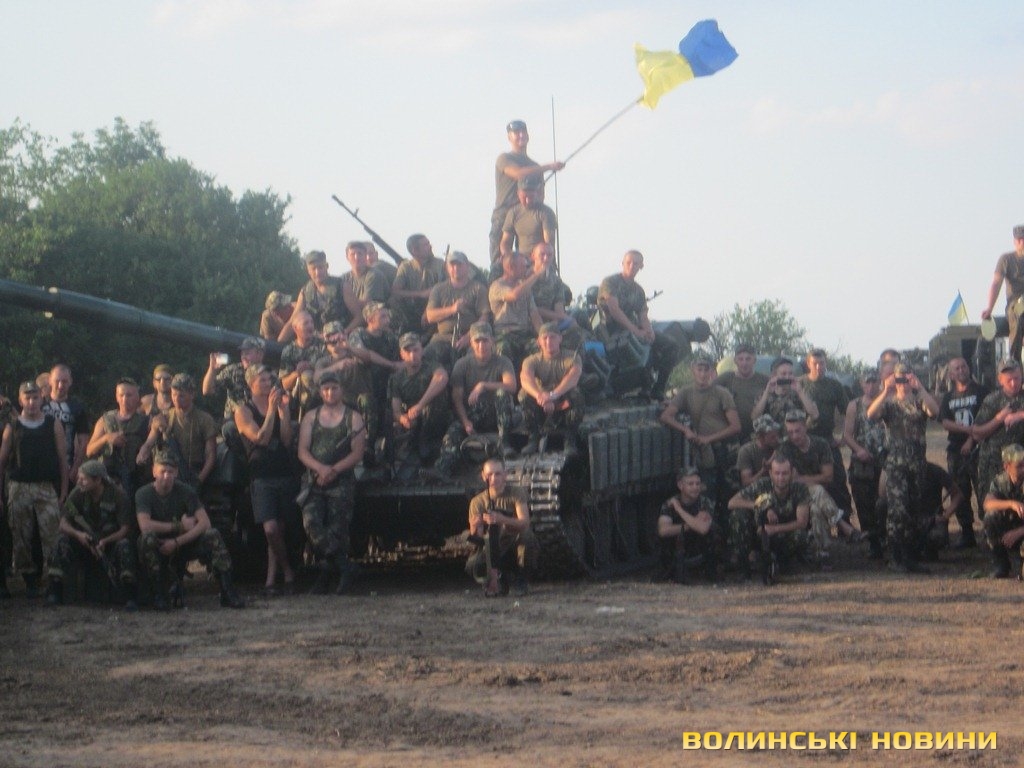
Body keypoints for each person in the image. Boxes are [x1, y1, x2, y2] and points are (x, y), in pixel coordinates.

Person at [135, 451, 245, 609]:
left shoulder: (185, 491)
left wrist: (176, 542)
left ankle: (227, 591)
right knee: (147, 539)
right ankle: (159, 594)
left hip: (183, 543)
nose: (166, 476)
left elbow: (205, 523)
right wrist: (179, 526)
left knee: (212, 535)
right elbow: (145, 526)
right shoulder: (143, 494)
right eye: (162, 471)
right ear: (154, 471)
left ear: (176, 472)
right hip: (159, 543)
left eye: (170, 471)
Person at [867, 362, 941, 573]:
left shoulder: (919, 402)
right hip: (896, 465)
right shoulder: (890, 405)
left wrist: (920, 388)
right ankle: (896, 556)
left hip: (916, 464)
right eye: (899, 379)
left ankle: (909, 555)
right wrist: (885, 390)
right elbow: (871, 414)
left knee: (913, 509)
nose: (902, 383)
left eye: (905, 378)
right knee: (897, 510)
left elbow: (934, 412)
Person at [296, 371, 366, 595]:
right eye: (325, 389)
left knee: (337, 529)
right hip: (315, 481)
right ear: (320, 392)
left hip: (341, 481)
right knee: (311, 524)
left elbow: (357, 453)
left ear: (341, 390)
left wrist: (333, 470)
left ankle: (327, 574)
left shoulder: (353, 418)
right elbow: (302, 451)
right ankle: (345, 567)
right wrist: (320, 469)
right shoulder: (311, 417)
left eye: (334, 388)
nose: (330, 392)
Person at [0, 380, 69, 598]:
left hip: (45, 487)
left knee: (52, 535)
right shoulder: (12, 426)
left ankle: (52, 580)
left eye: (35, 397)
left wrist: (64, 490)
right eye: (27, 398)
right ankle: (29, 579)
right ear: (20, 400)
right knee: (20, 536)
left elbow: (62, 459)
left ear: (41, 399)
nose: (31, 402)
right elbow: (2, 461)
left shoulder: (52, 423)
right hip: (18, 487)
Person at [235, 365, 297, 597]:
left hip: (283, 471)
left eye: (270, 379)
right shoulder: (244, 410)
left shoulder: (278, 405)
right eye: (262, 380)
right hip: (261, 475)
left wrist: (284, 413)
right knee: (270, 528)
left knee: (279, 528)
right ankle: (287, 569)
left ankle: (271, 580)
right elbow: (260, 438)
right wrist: (271, 411)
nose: (268, 384)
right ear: (251, 383)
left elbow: (287, 439)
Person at [658, 351, 740, 517]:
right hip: (705, 452)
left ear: (712, 371)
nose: (702, 374)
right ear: (693, 370)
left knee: (729, 495)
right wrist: (686, 430)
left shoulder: (722, 393)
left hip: (726, 450)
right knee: (707, 495)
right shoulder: (686, 392)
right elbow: (666, 416)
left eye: (706, 369)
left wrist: (709, 438)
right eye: (699, 369)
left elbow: (735, 426)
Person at [47, 460, 136, 610]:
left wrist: (105, 541)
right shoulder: (77, 493)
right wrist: (79, 535)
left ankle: (130, 595)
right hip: (85, 544)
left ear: (97, 480)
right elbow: (63, 523)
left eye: (83, 479)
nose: (79, 482)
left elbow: (125, 529)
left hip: (109, 545)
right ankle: (55, 591)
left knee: (124, 546)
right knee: (62, 541)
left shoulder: (117, 495)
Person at [435, 322, 518, 477]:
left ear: (492, 341)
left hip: (499, 413)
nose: (481, 345)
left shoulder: (503, 361)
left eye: (485, 340)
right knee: (454, 431)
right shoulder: (462, 364)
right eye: (477, 341)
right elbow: (457, 398)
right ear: (471, 343)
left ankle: (504, 442)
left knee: (502, 393)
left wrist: (483, 385)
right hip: (474, 414)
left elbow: (511, 386)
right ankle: (443, 468)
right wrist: (465, 421)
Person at [777, 409, 861, 559]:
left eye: (797, 431)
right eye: (790, 432)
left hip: (820, 496)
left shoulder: (821, 444)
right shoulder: (785, 448)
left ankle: (823, 553)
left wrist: (802, 478)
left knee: (816, 509)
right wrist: (810, 479)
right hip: (796, 495)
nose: (794, 436)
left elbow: (828, 477)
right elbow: (790, 479)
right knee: (817, 488)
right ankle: (843, 525)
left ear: (805, 427)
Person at [597, 250, 679, 400]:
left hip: (631, 329)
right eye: (628, 262)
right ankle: (639, 383)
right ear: (622, 263)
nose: (631, 266)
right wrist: (636, 331)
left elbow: (643, 315)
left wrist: (649, 331)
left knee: (670, 345)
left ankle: (657, 388)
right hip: (609, 330)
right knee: (634, 347)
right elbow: (614, 310)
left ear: (641, 266)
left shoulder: (638, 291)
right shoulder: (610, 282)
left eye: (635, 263)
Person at [489, 119, 564, 271]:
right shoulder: (504, 158)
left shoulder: (535, 166)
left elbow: (540, 195)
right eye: (516, 133)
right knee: (500, 261)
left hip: (527, 214)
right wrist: (549, 167)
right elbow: (517, 174)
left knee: (533, 256)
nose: (521, 135)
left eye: (523, 132)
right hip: (504, 212)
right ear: (509, 137)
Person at [727, 454, 811, 584]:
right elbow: (732, 503)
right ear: (771, 473)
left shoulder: (800, 489)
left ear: (792, 473)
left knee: (801, 536)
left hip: (783, 535)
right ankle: (744, 568)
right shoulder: (762, 485)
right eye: (777, 473)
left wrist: (775, 529)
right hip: (758, 534)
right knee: (738, 515)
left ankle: (782, 564)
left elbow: (802, 522)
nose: (780, 478)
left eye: (785, 473)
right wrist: (762, 507)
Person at [465, 457, 538, 597]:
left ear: (505, 475)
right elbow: (478, 537)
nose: (494, 478)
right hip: (493, 544)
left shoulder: (516, 492)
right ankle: (498, 578)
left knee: (527, 537)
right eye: (489, 475)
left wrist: (502, 519)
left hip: (513, 540)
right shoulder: (477, 502)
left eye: (498, 474)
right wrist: (475, 527)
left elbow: (524, 522)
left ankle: (521, 579)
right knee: (473, 566)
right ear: (483, 476)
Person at [938, 357, 989, 549]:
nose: (961, 370)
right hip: (956, 451)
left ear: (969, 368)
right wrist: (967, 430)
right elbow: (945, 422)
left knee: (984, 490)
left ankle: (990, 532)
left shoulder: (982, 392)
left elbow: (985, 419)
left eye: (964, 366)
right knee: (959, 492)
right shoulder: (948, 397)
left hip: (979, 449)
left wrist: (971, 439)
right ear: (951, 374)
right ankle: (967, 533)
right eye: (957, 368)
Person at [137, 373, 218, 491]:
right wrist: (143, 452)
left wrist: (199, 480)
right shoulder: (164, 417)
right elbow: (149, 442)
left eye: (181, 396)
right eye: (174, 394)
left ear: (192, 395)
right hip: (169, 473)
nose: (176, 399)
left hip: (194, 472)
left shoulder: (205, 420)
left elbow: (210, 455)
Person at [389, 332, 451, 479]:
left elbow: (441, 377)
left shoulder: (431, 366)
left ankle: (427, 447)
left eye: (416, 350)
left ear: (422, 350)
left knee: (432, 403)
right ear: (401, 354)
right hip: (413, 421)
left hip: (436, 417)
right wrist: (402, 418)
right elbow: (396, 410)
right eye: (407, 351)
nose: (412, 355)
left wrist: (420, 405)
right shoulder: (397, 378)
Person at [799, 349, 852, 515]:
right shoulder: (799, 384)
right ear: (808, 364)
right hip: (804, 440)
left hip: (827, 440)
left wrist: (844, 437)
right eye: (814, 363)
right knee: (807, 482)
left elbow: (849, 412)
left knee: (838, 481)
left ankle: (845, 522)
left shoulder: (834, 385)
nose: (818, 367)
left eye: (821, 363)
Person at [519, 321, 584, 455]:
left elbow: (572, 378)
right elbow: (525, 379)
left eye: (553, 337)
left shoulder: (572, 357)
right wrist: (540, 396)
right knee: (523, 395)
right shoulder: (531, 360)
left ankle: (569, 438)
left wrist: (553, 396)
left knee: (576, 394)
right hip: (540, 404)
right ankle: (533, 437)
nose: (548, 341)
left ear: (560, 339)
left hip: (562, 402)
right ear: (539, 341)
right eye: (545, 338)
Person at [843, 369, 887, 558]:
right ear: (861, 384)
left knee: (884, 502)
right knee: (864, 505)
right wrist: (858, 450)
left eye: (874, 381)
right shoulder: (854, 405)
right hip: (862, 464)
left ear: (880, 383)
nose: (871, 385)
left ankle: (886, 538)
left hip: (884, 461)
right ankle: (873, 543)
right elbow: (847, 435)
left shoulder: (886, 402)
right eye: (867, 382)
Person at [85, 377, 151, 504]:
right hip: (108, 477)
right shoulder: (105, 420)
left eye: (129, 395)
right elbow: (89, 451)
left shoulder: (146, 421)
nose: (125, 399)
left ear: (137, 397)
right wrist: (106, 438)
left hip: (136, 478)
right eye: (121, 395)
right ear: (116, 397)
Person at [424, 250, 491, 370]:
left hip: (471, 338)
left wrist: (470, 336)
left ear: (467, 266)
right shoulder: (438, 289)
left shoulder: (478, 288)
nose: (455, 268)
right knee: (426, 358)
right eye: (452, 265)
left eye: (459, 264)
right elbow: (430, 316)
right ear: (447, 268)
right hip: (443, 338)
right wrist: (452, 309)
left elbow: (484, 317)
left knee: (478, 359)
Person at [972, 358, 1024, 505]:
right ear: (1000, 380)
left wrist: (1020, 415)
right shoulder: (992, 400)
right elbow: (976, 433)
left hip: (1020, 466)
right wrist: (998, 419)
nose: (1013, 383)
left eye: (1017, 378)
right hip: (994, 464)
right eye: (1009, 380)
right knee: (991, 506)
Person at [654, 466, 719, 584]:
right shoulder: (670, 503)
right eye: (690, 484)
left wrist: (679, 510)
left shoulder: (705, 502)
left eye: (697, 484)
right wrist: (690, 526)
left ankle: (709, 572)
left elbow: (703, 529)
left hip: (699, 543)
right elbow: (663, 530)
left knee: (712, 531)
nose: (695, 487)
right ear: (680, 485)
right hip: (676, 546)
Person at [489, 249, 543, 374]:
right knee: (503, 349)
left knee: (542, 348)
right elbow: (513, 295)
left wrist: (542, 335)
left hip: (524, 333)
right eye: (523, 266)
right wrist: (536, 274)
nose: (526, 269)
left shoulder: (524, 287)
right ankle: (505, 382)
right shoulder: (497, 286)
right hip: (504, 334)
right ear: (511, 267)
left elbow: (534, 314)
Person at [981, 224, 1024, 363]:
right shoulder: (1007, 259)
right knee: (1017, 315)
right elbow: (996, 283)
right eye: (1020, 239)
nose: (1022, 242)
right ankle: (1014, 360)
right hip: (1016, 303)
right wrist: (990, 308)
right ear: (1015, 241)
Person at [389, 233, 447, 336]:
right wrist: (420, 294)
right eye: (425, 245)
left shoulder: (440, 264)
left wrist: (428, 309)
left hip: (435, 306)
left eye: (428, 243)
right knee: (392, 302)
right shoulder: (406, 266)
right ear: (414, 250)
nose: (430, 246)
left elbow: (447, 288)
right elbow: (395, 291)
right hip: (412, 309)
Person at [282, 249, 346, 341]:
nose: (317, 272)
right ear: (308, 271)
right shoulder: (305, 291)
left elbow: (358, 316)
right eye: (313, 269)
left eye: (320, 267)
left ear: (327, 266)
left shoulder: (341, 286)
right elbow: (293, 320)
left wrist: (344, 332)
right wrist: (279, 342)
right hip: (315, 337)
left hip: (339, 337)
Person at [982, 443, 1024, 579]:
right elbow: (987, 504)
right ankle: (1001, 563)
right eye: (1019, 466)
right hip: (1012, 525)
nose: (1023, 469)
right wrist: (1011, 504)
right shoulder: (1000, 482)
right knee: (990, 516)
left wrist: (1018, 532)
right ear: (1006, 466)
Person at [203, 336, 267, 422]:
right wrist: (212, 369)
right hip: (233, 421)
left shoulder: (269, 374)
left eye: (247, 353)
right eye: (242, 354)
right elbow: (207, 390)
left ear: (260, 354)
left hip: (259, 420)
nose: (243, 357)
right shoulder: (233, 371)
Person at [44, 363, 90, 478]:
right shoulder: (38, 404)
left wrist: (76, 468)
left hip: (65, 466)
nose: (60, 386)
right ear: (50, 381)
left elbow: (83, 441)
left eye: (64, 381)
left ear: (70, 382)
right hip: (40, 464)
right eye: (57, 381)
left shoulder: (78, 408)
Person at [716, 344, 768, 442]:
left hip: (756, 435)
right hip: (730, 436)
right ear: (735, 360)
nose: (744, 363)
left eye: (748, 359)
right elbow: (707, 392)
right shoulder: (726, 379)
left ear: (754, 360)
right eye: (741, 359)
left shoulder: (764, 380)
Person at [279, 309, 327, 415]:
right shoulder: (289, 350)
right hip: (300, 400)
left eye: (312, 322)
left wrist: (312, 367)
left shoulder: (322, 345)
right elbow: (285, 384)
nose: (310, 326)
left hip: (325, 391)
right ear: (295, 328)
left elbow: (330, 370)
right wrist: (297, 373)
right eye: (306, 323)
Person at [499, 175, 557, 261]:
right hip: (520, 261)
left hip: (542, 259)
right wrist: (507, 256)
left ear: (537, 193)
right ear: (518, 194)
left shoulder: (546, 212)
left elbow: (548, 244)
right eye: (524, 197)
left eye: (531, 197)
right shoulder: (513, 213)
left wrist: (535, 258)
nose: (528, 200)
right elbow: (505, 242)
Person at [751, 357, 819, 426]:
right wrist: (766, 393)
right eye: (783, 374)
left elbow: (814, 415)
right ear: (774, 375)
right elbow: (755, 417)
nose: (787, 377)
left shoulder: (800, 393)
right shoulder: (764, 394)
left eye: (790, 373)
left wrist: (800, 392)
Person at [341, 240, 390, 333]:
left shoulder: (374, 275)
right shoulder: (344, 278)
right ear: (347, 257)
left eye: (360, 254)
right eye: (353, 254)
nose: (356, 257)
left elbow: (366, 304)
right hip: (356, 316)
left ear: (365, 256)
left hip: (377, 317)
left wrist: (348, 301)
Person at [736, 414, 782, 488]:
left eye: (777, 435)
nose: (777, 439)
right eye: (772, 437)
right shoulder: (746, 451)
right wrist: (764, 470)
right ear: (760, 437)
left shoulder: (780, 446)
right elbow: (746, 483)